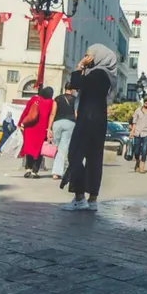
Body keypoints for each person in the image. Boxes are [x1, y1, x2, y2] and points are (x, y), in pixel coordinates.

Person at [62, 45, 118, 211]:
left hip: (88, 118)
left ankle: (80, 197)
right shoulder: (107, 75)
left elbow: (75, 84)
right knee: (94, 158)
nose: (87, 58)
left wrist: (80, 66)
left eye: (89, 55)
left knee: (75, 154)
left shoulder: (99, 74)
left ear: (99, 56)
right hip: (98, 120)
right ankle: (92, 198)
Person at [18, 88, 54, 178]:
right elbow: (51, 116)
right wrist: (50, 129)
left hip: (30, 128)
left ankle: (28, 169)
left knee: (29, 149)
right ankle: (35, 171)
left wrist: (20, 123)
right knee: (39, 151)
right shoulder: (51, 103)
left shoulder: (34, 99)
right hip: (42, 129)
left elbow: (26, 112)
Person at [47, 83, 78, 180]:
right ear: (72, 89)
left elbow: (53, 113)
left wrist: (49, 128)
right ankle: (58, 172)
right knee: (63, 148)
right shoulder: (75, 99)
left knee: (56, 147)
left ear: (64, 88)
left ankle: (57, 170)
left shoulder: (57, 98)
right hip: (70, 123)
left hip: (57, 123)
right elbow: (76, 114)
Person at [130, 100, 147, 173]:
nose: (146, 102)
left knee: (144, 150)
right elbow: (134, 122)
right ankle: (137, 161)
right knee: (136, 151)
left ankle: (142, 167)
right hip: (138, 133)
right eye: (145, 101)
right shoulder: (137, 110)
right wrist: (132, 132)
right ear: (144, 102)